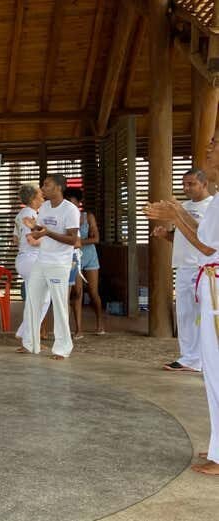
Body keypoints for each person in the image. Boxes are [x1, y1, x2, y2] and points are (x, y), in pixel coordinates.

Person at [144, 129, 219, 476]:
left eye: (215, 143)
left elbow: (207, 248)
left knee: (216, 370)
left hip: (213, 280)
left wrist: (175, 215)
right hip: (207, 277)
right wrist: (175, 215)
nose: (209, 147)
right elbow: (204, 238)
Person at [154, 169, 213, 372]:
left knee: (204, 314)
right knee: (185, 313)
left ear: (204, 184)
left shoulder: (212, 206)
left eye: (191, 184)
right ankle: (189, 357)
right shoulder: (184, 206)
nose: (186, 188)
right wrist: (165, 235)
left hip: (203, 266)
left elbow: (205, 237)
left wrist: (180, 213)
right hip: (184, 266)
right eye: (184, 184)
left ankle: (204, 358)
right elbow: (183, 236)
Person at [17, 173, 80, 360]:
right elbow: (42, 232)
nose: (43, 188)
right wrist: (33, 228)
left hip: (59, 263)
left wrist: (47, 233)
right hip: (41, 260)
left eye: (47, 185)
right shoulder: (44, 207)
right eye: (43, 185)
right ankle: (30, 343)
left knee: (59, 305)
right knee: (32, 301)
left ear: (59, 188)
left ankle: (62, 348)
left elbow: (72, 239)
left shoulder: (70, 210)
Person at [65, 188, 104, 338]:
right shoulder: (66, 219)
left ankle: (100, 322)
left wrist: (79, 241)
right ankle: (78, 329)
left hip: (90, 257)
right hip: (74, 258)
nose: (71, 207)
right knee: (77, 293)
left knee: (93, 292)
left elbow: (96, 239)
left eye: (73, 204)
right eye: (68, 203)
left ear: (79, 204)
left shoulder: (88, 217)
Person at [13, 184, 49, 346]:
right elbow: (32, 240)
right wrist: (50, 240)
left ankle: (25, 334)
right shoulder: (31, 214)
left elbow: (16, 240)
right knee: (42, 299)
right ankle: (28, 336)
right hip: (32, 259)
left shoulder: (21, 213)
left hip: (24, 259)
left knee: (38, 299)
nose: (43, 197)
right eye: (41, 195)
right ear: (33, 198)